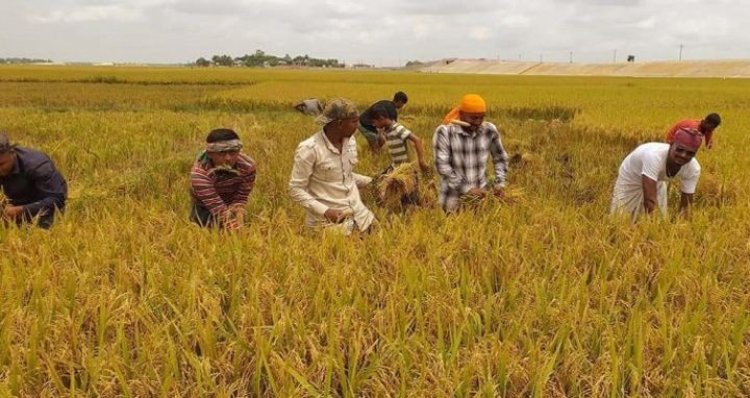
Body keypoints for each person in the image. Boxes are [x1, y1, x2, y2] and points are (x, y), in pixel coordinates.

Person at [288, 98, 375, 234]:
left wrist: (373, 181)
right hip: (327, 225)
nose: (357, 125)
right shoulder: (310, 149)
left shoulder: (350, 142)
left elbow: (343, 175)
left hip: (360, 216)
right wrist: (326, 211)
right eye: (354, 121)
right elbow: (295, 189)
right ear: (340, 123)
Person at [433, 94, 508, 213]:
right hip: (452, 201)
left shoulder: (489, 130)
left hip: (481, 201)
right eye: (473, 118)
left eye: (481, 118)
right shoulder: (445, 132)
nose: (477, 122)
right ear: (461, 114)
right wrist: (467, 189)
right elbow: (442, 166)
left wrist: (500, 183)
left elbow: (500, 158)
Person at [611, 128, 701, 221]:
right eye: (679, 149)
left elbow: (686, 206)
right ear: (671, 144)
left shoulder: (693, 168)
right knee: (620, 217)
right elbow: (649, 201)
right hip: (631, 176)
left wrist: (682, 228)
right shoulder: (653, 156)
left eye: (690, 153)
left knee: (661, 217)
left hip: (657, 178)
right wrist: (652, 229)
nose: (683, 155)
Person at [190, 128, 256, 230]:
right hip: (205, 205)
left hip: (231, 200)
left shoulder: (248, 166)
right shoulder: (200, 173)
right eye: (221, 153)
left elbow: (241, 196)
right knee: (205, 231)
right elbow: (218, 209)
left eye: (232, 152)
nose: (228, 158)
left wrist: (238, 211)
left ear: (238, 151)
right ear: (210, 153)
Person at [0, 133, 67, 228]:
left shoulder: (37, 165)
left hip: (39, 200)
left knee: (42, 228)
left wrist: (19, 210)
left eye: (1, 164)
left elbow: (56, 199)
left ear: (12, 153)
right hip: (11, 200)